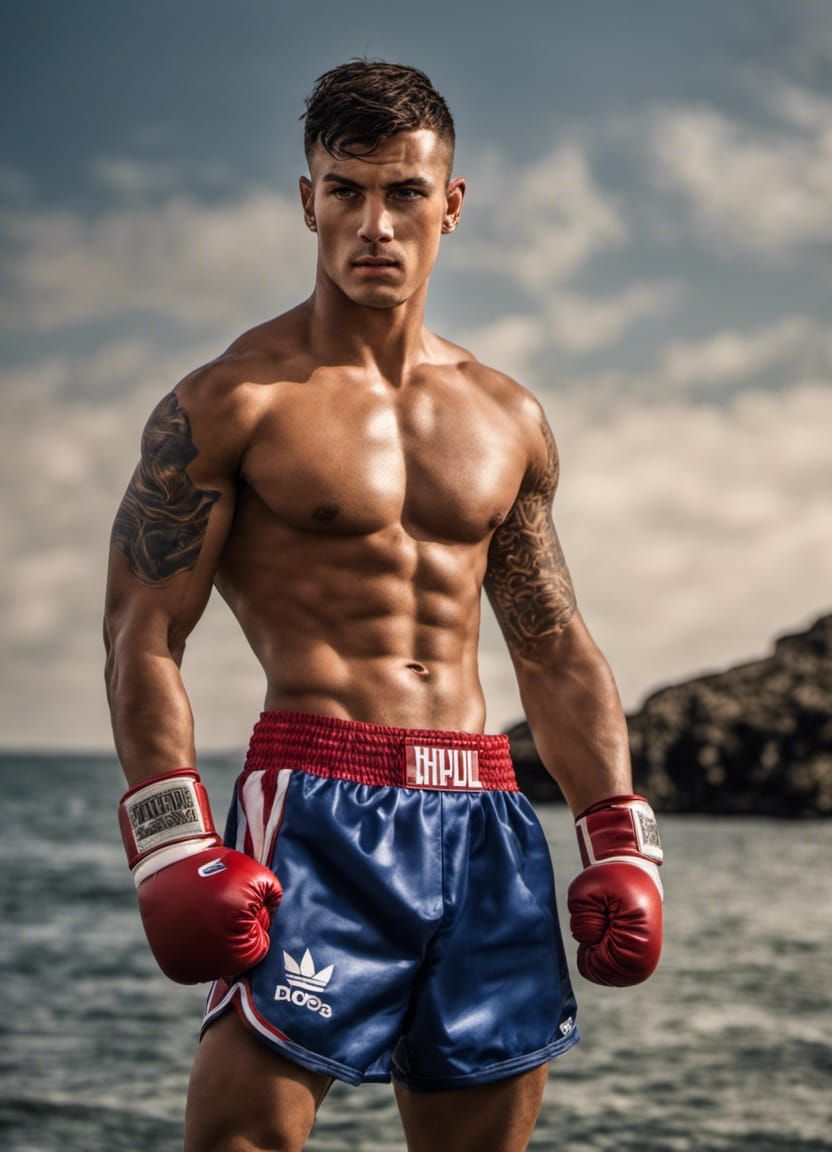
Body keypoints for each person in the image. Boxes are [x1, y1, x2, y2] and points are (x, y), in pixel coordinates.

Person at [104, 59, 664, 1152]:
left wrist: (619, 838)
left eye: (403, 191)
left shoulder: (508, 418)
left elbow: (551, 649)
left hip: (488, 820)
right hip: (318, 804)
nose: (374, 223)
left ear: (449, 204)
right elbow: (144, 633)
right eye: (345, 189)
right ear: (305, 198)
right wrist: (171, 844)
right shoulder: (230, 401)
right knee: (240, 1139)